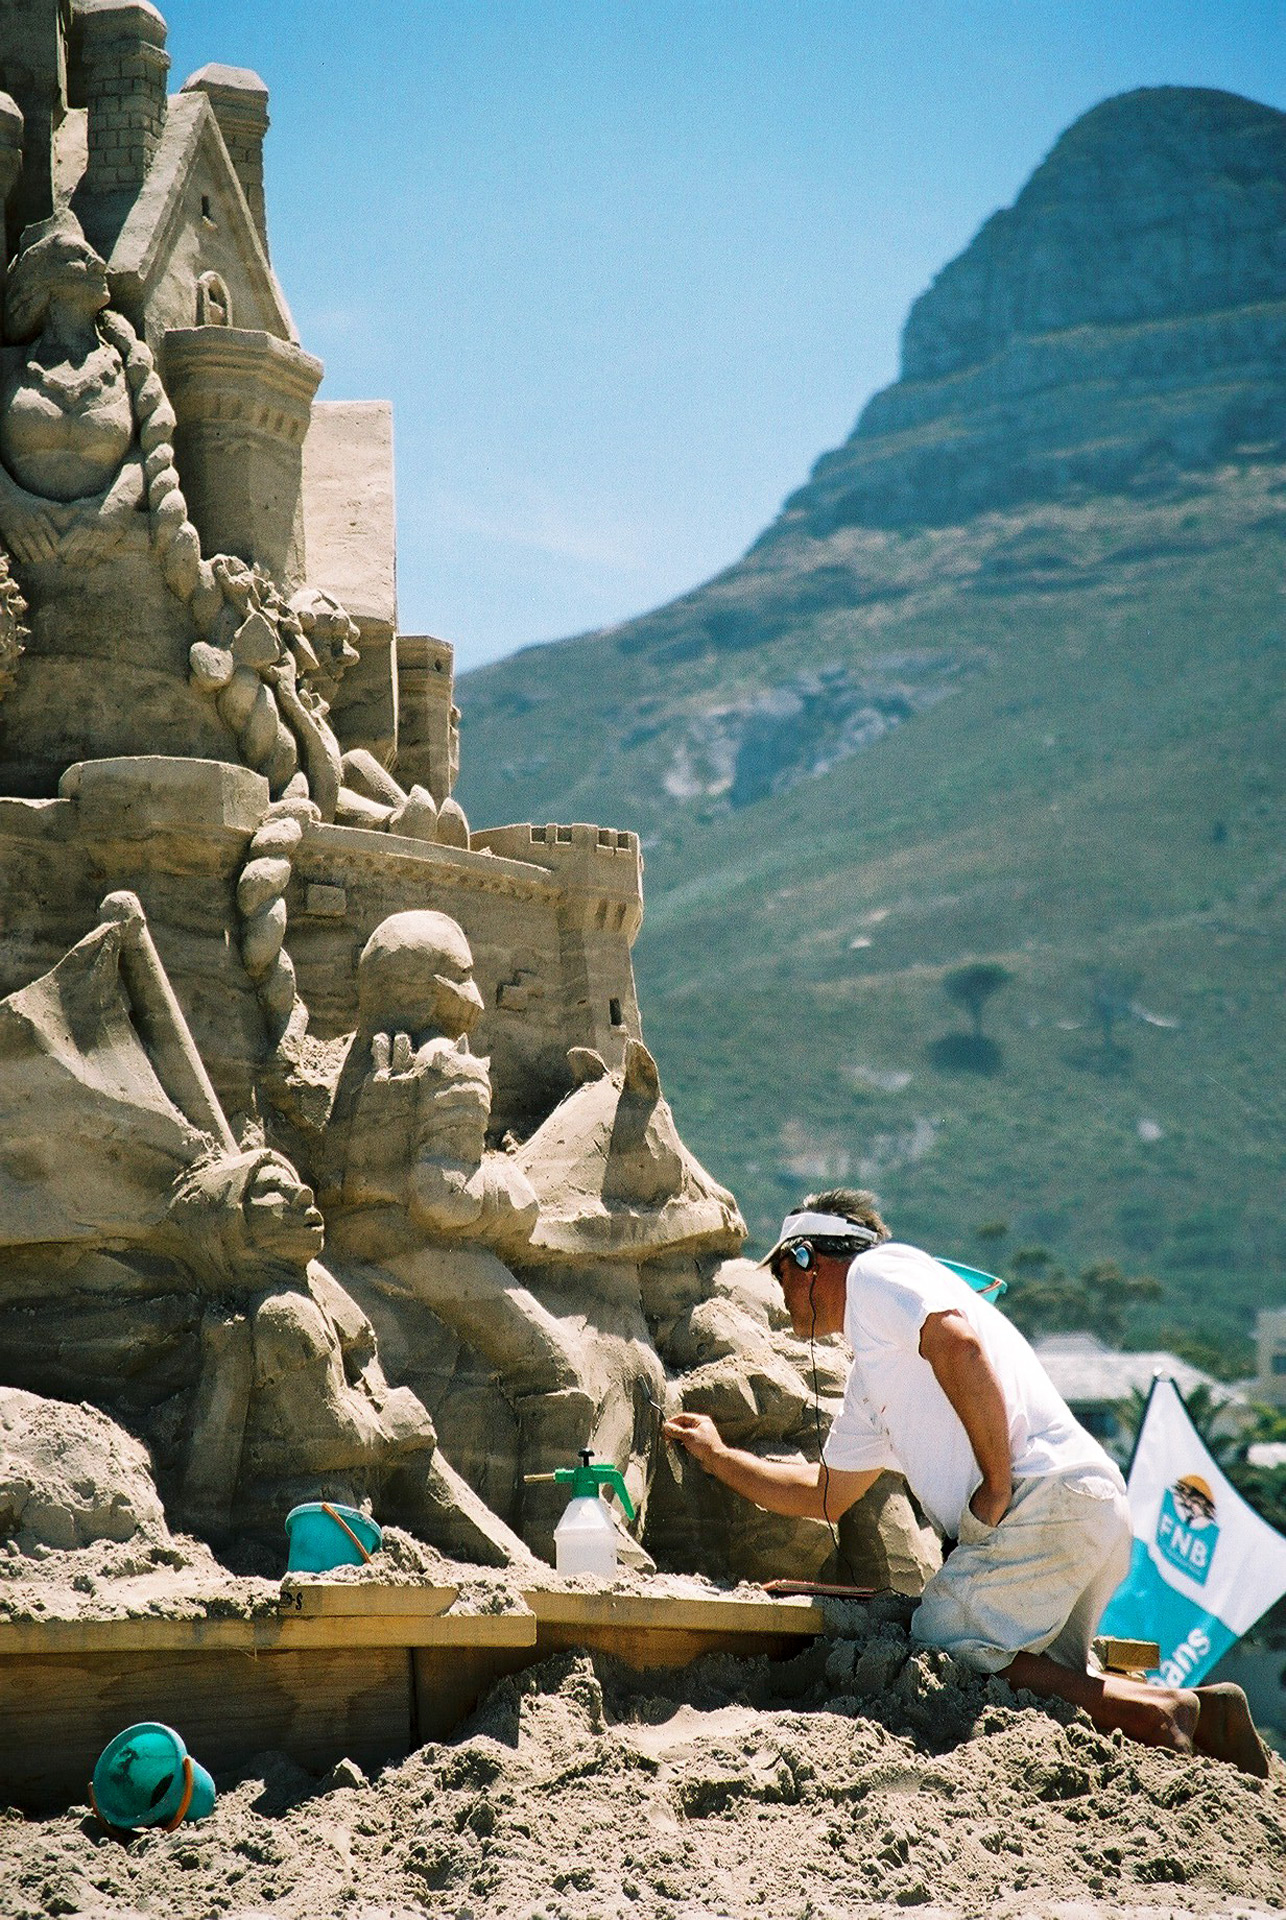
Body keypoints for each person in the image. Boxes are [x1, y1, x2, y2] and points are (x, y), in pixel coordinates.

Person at [664, 1186, 1268, 1774]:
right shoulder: (873, 1375)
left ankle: (1164, 1711)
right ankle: (1205, 1713)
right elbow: (824, 1495)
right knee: (1037, 1678)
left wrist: (996, 1485)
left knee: (945, 1639)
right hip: (1083, 1504)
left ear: (808, 1259)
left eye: (782, 1272)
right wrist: (717, 1456)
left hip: (1040, 1502)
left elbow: (959, 1347)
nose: (780, 1290)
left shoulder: (874, 1273)